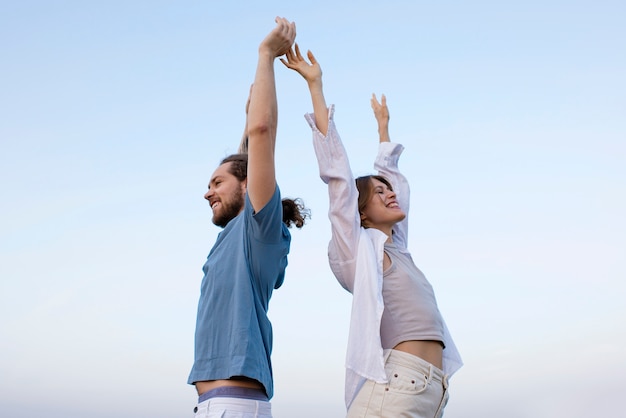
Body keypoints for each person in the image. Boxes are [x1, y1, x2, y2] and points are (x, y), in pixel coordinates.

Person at [282, 44, 463, 418]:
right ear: (361, 214)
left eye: (389, 189)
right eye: (378, 193)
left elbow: (398, 182)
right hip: (396, 388)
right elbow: (338, 179)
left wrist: (383, 130)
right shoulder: (361, 252)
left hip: (431, 391)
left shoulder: (398, 249)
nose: (390, 194)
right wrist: (316, 86)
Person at [188, 17, 308, 418]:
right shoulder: (236, 233)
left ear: (243, 186)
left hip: (233, 405)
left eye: (216, 182)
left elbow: (261, 134)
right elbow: (248, 145)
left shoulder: (258, 231)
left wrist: (266, 56)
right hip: (215, 404)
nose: (207, 191)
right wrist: (248, 115)